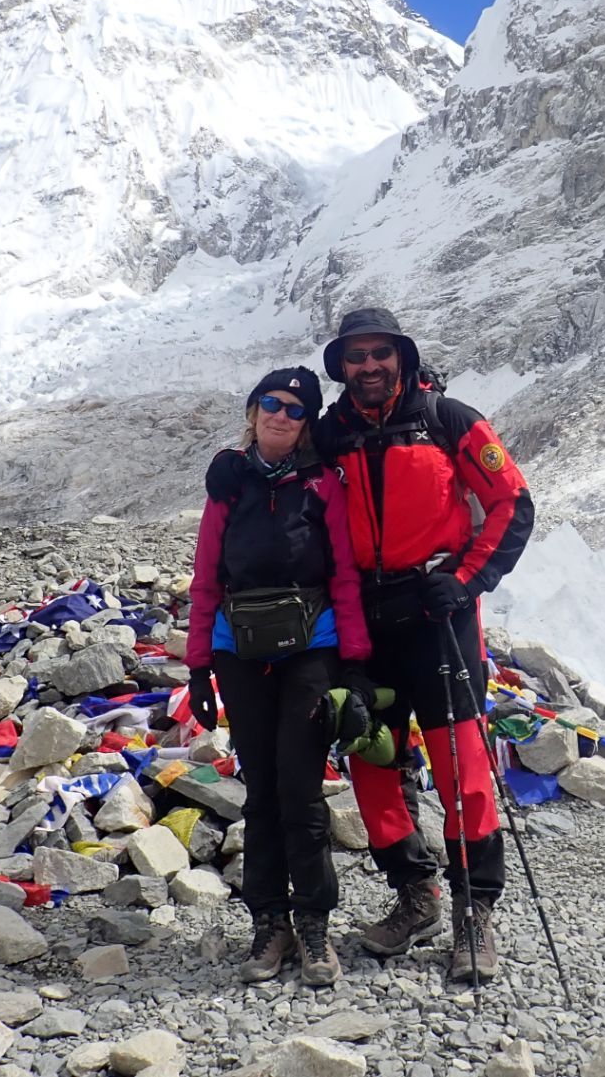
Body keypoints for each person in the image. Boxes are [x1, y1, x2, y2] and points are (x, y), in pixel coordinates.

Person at [312, 307, 534, 981]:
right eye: (357, 356)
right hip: (364, 624)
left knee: (464, 771)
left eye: (382, 353)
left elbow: (512, 501)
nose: (370, 366)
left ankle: (476, 913)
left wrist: (465, 580)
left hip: (438, 614)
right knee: (374, 765)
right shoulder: (328, 435)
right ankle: (416, 896)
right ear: (342, 366)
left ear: (402, 359)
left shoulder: (449, 419)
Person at [185, 367, 374, 987]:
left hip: (310, 650)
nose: (282, 415)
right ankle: (270, 921)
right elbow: (207, 576)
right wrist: (197, 668)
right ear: (253, 409)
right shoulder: (227, 482)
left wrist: (355, 665)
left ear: (306, 425)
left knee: (300, 788)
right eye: (272, 403)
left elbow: (344, 576)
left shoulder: (323, 485)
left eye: (297, 410)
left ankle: (314, 923)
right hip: (238, 652)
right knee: (262, 788)